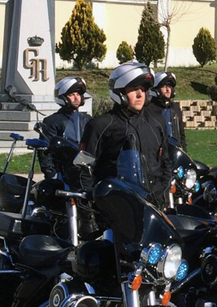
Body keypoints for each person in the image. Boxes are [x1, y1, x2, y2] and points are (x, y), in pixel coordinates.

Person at [80, 62, 170, 205]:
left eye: (143, 89)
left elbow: (166, 162)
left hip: (153, 203)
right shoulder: (100, 125)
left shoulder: (157, 122)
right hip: (116, 204)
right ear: (120, 93)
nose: (140, 94)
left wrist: (161, 193)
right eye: (134, 89)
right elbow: (82, 166)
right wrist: (92, 204)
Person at [38, 77, 92, 183]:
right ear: (63, 97)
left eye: (78, 94)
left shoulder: (87, 119)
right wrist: (51, 174)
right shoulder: (52, 121)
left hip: (84, 171)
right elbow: (45, 151)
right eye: (71, 95)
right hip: (62, 172)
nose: (76, 98)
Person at [147, 71, 187, 154]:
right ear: (156, 88)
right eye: (164, 86)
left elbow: (181, 134)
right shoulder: (148, 108)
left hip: (175, 152)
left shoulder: (175, 107)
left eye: (170, 86)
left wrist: (184, 153)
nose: (168, 89)